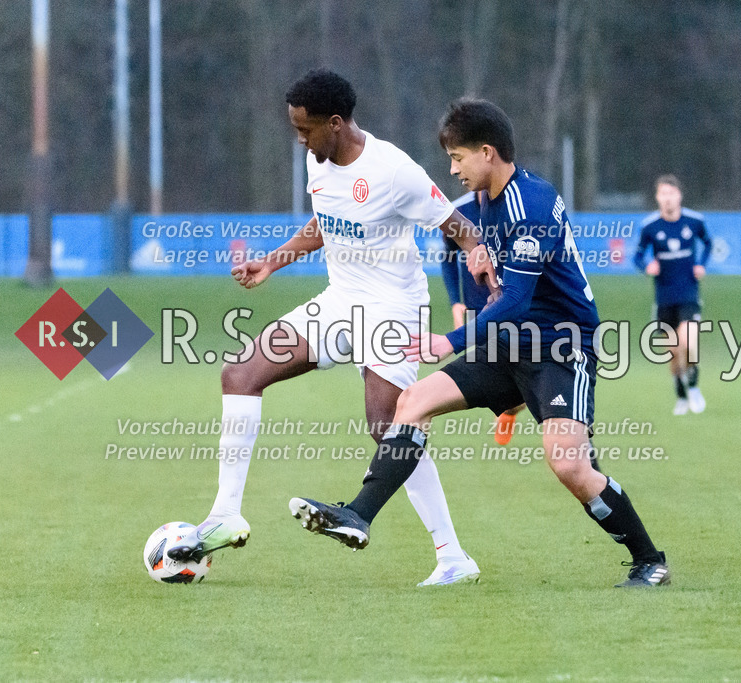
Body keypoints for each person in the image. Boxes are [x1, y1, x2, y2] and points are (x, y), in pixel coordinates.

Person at [289, 98, 670, 588]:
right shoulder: (483, 204)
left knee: (571, 466)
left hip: (558, 348)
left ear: (487, 152)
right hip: (505, 346)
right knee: (412, 402)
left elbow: (514, 300)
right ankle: (359, 515)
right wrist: (477, 272)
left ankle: (649, 559)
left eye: (458, 158)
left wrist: (447, 340)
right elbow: (479, 277)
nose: (452, 169)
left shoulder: (529, 206)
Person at [168, 70, 495, 587]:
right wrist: (272, 263)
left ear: (336, 124)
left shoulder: (394, 172)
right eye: (296, 128)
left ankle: (452, 555)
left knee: (389, 428)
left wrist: (479, 256)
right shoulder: (316, 158)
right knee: (240, 374)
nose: (300, 138)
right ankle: (224, 513)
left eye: (306, 129)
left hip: (392, 308)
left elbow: (455, 225)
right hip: (339, 301)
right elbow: (325, 224)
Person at [443, 191, 524, 446]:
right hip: (477, 309)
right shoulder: (458, 211)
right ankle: (507, 408)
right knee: (490, 376)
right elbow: (448, 257)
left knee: (524, 378)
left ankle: (510, 410)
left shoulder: (517, 209)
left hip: (513, 307)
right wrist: (456, 301)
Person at [633, 175, 712, 415]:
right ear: (657, 198)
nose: (667, 198)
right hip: (664, 298)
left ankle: (694, 386)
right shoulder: (650, 226)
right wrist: (646, 266)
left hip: (688, 293)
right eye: (662, 194)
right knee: (674, 352)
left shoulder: (695, 221)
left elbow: (708, 243)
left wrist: (701, 264)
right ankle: (680, 392)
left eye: (671, 193)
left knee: (689, 343)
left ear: (679, 195)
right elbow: (637, 255)